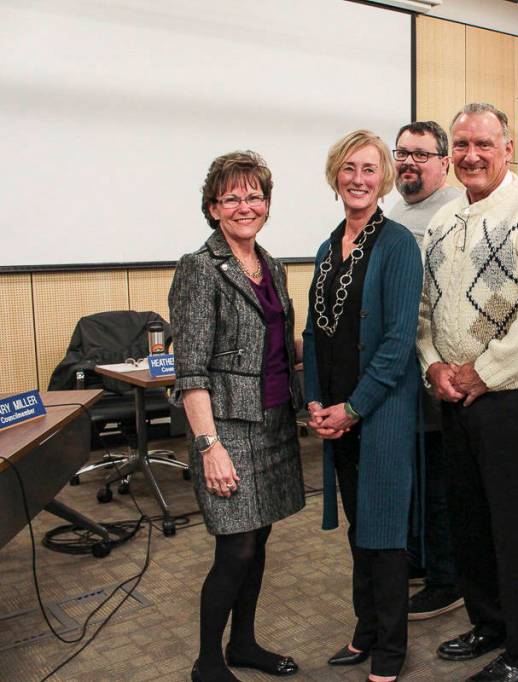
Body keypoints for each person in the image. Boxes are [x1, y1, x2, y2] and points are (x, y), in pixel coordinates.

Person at [417, 102, 518, 682]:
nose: (471, 155)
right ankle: (489, 621)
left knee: (514, 526)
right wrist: (434, 365)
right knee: (469, 519)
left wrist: (485, 371)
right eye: (460, 145)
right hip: (456, 397)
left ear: (509, 150)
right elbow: (425, 312)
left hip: (514, 397)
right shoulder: (441, 222)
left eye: (484, 144)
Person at [169, 150, 304, 682]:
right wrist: (210, 446)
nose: (245, 205)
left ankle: (243, 644)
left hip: (273, 421)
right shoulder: (200, 268)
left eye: (254, 195)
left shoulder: (270, 264)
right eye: (233, 197)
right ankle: (208, 661)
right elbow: (191, 369)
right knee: (236, 546)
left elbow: (276, 345)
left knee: (259, 540)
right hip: (226, 428)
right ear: (212, 208)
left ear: (266, 203)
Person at [303, 130, 423, 682]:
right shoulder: (329, 248)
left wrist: (352, 408)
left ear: (385, 178)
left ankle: (390, 648)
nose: (358, 179)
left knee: (384, 535)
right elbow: (313, 332)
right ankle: (366, 628)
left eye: (369, 169)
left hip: (381, 415)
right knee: (359, 530)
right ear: (336, 175)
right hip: (336, 417)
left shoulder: (397, 244)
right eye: (349, 168)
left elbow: (399, 342)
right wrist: (314, 403)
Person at [389, 121, 464, 621]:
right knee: (413, 476)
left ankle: (447, 578)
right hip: (403, 367)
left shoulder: (457, 212)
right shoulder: (398, 209)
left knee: (440, 481)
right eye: (402, 154)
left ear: (444, 161)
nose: (409, 163)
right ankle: (420, 559)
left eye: (420, 154)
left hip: (438, 366)